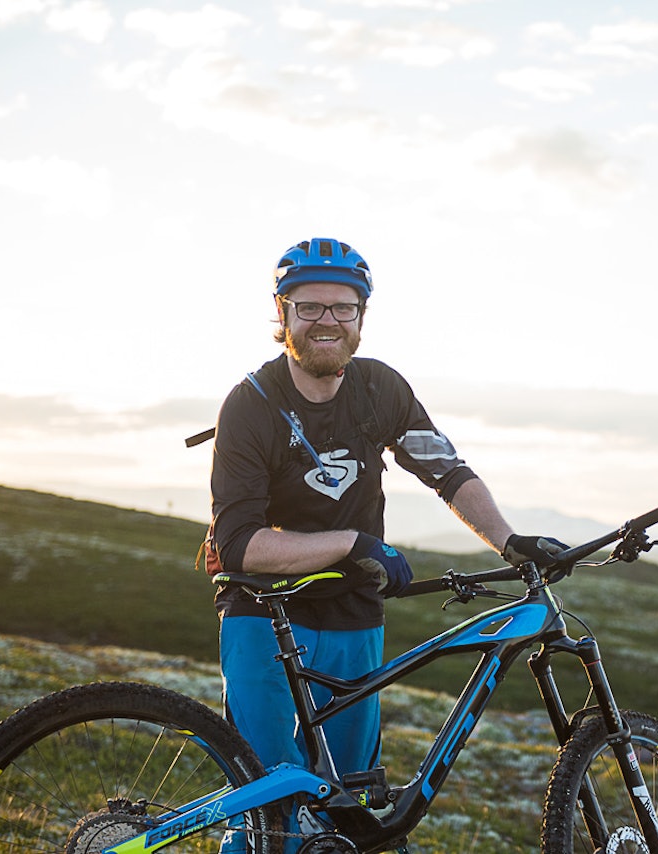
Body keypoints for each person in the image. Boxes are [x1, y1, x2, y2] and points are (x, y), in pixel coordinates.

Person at [207, 237, 565, 847]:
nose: (327, 321)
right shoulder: (252, 403)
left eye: (342, 309)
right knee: (269, 809)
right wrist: (351, 543)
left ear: (361, 318)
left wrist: (509, 542)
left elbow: (445, 469)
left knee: (348, 809)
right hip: (264, 616)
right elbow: (239, 545)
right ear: (282, 313)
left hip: (352, 616)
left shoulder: (380, 390)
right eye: (310, 307)